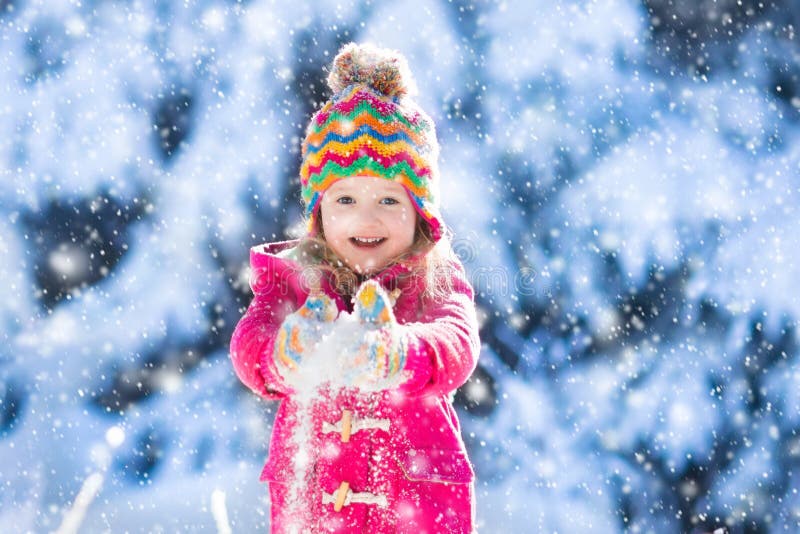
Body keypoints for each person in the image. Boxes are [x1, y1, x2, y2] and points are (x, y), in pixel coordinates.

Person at [230, 42, 480, 534]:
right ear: (319, 211)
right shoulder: (293, 282)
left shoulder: (434, 279)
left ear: (420, 214)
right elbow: (249, 344)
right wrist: (284, 353)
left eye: (389, 199)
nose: (366, 219)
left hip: (415, 504)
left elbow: (456, 344)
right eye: (345, 198)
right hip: (316, 504)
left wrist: (400, 352)